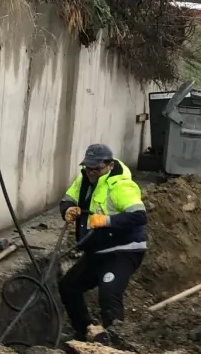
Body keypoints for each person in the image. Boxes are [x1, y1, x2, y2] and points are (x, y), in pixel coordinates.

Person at [58, 143, 148, 342]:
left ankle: (115, 344)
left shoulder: (120, 186)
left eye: (96, 169)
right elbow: (67, 199)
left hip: (123, 251)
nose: (91, 172)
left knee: (109, 295)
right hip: (97, 251)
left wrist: (106, 221)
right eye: (88, 167)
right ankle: (85, 334)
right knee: (69, 286)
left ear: (109, 165)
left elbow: (139, 216)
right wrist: (68, 210)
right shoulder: (84, 179)